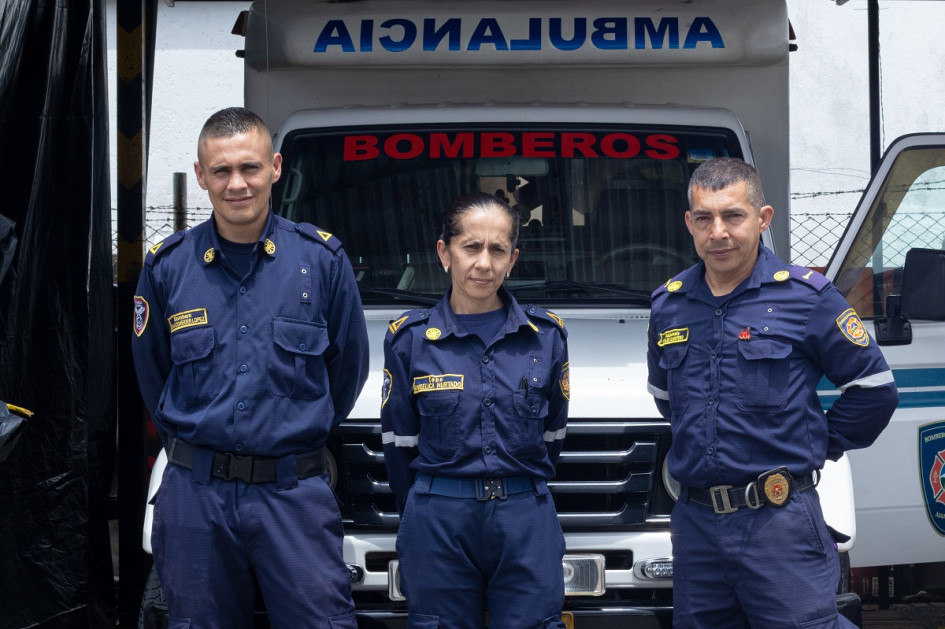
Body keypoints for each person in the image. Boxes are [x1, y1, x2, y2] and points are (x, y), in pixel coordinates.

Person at [132, 106, 369, 628]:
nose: (236, 184)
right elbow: (153, 376)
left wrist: (290, 434)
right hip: (196, 497)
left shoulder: (321, 262)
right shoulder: (168, 267)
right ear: (201, 175)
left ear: (275, 168)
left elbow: (347, 372)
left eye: (250, 167)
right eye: (221, 170)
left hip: (293, 495)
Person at [646, 157, 899, 628]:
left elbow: (874, 391)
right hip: (697, 527)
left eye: (733, 216)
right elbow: (667, 400)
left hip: (778, 522)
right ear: (689, 223)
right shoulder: (669, 305)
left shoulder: (807, 299)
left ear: (763, 219)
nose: (718, 232)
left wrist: (813, 444)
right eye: (704, 218)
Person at [381, 192, 570, 629]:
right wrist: (429, 509)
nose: (484, 263)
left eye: (497, 250)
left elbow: (553, 436)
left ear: (512, 260)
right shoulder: (409, 340)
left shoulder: (546, 337)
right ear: (444, 253)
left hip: (525, 516)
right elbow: (399, 445)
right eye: (471, 247)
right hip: (438, 519)